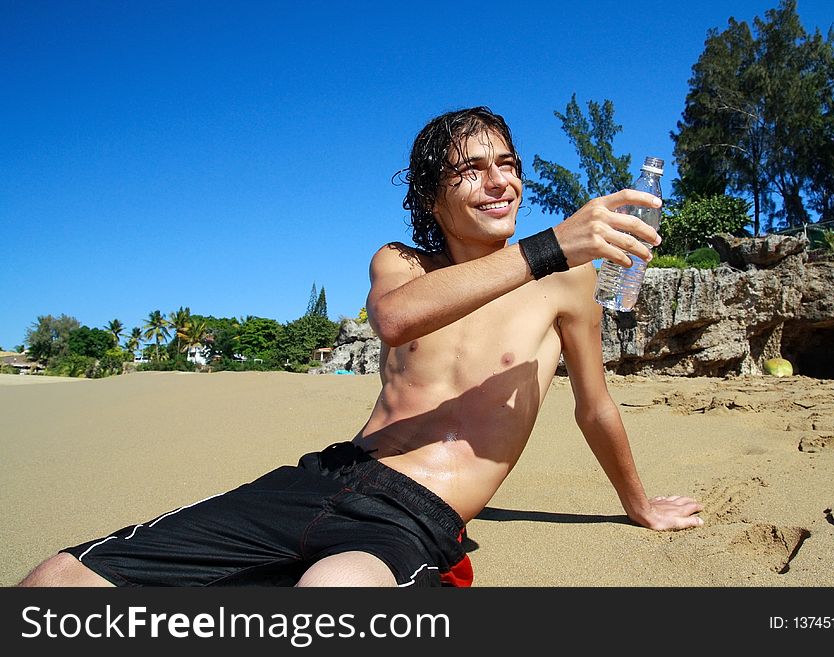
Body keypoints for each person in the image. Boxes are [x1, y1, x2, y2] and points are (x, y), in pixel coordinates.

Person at [18, 106, 703, 588]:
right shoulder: (402, 263)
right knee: (55, 579)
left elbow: (594, 406)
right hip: (322, 476)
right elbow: (397, 320)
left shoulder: (567, 283)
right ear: (432, 197)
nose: (500, 181)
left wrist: (637, 501)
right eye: (472, 169)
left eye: (508, 163)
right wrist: (551, 243)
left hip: (411, 511)